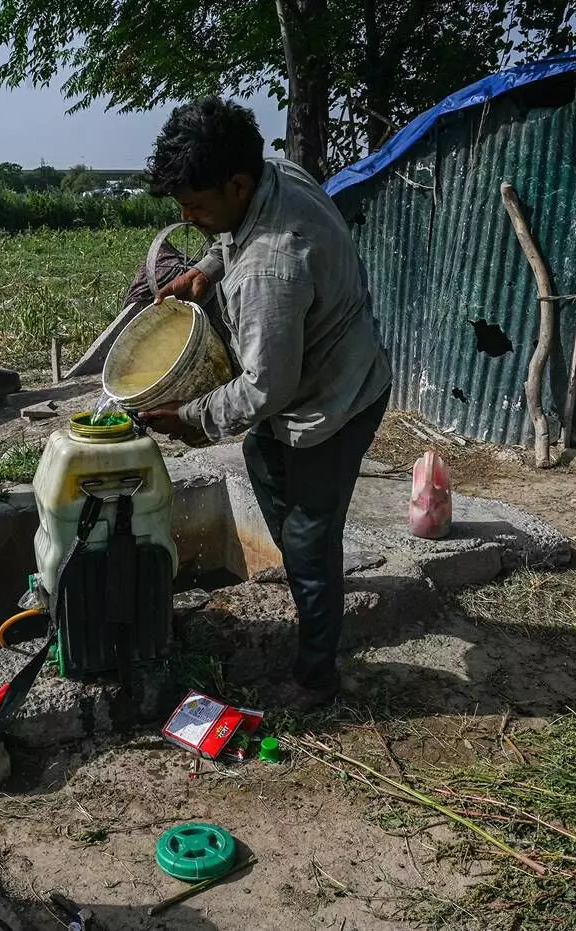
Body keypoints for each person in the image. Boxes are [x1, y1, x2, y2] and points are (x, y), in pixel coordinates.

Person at [139, 97, 392, 711]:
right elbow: (236, 233)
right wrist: (204, 266)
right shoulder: (278, 176)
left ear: (237, 182)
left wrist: (192, 420)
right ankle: (315, 567)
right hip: (320, 369)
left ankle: (316, 676)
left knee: (307, 535)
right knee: (261, 456)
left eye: (196, 206)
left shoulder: (269, 271)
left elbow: (262, 389)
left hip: (335, 399)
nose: (190, 215)